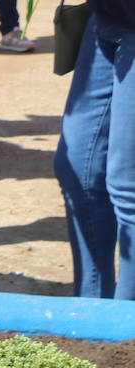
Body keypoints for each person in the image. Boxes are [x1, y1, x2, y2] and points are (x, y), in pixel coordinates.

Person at [54, 1, 134, 301]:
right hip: (107, 17)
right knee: (76, 169)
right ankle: (91, 312)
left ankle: (126, 333)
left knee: (128, 185)